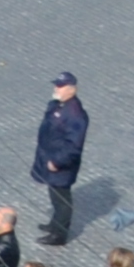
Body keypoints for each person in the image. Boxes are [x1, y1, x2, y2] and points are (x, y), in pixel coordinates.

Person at [32, 71, 89, 249]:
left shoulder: (75, 115)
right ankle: (55, 223)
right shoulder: (59, 105)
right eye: (56, 85)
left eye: (60, 86)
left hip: (61, 166)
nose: (56, 89)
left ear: (72, 89)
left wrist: (57, 162)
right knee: (54, 194)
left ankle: (59, 234)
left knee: (62, 199)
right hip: (50, 159)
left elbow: (73, 146)